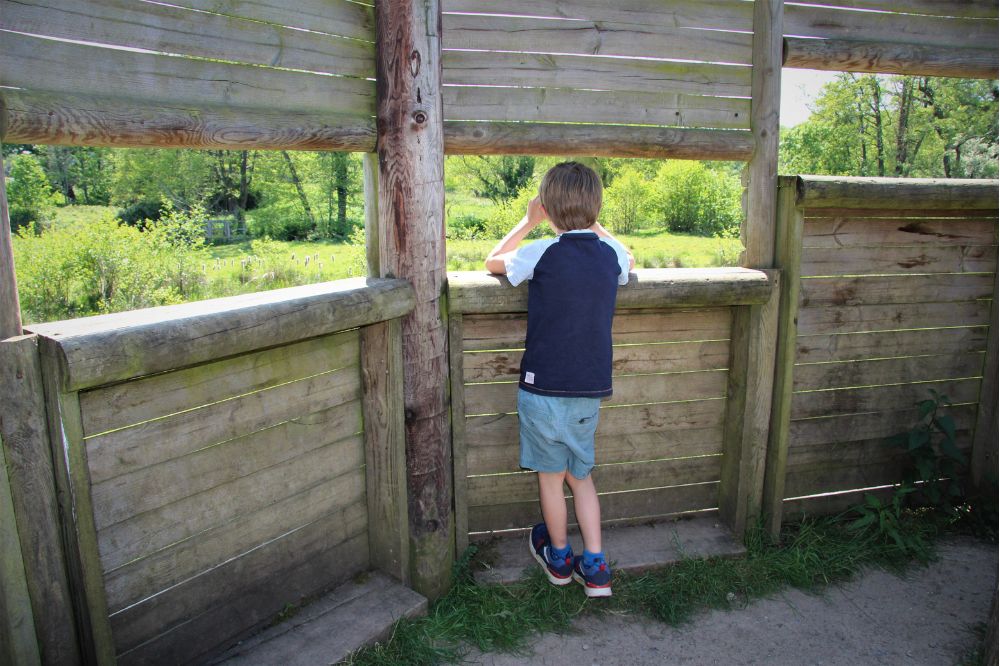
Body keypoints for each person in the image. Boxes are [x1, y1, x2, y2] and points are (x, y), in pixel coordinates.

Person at [484, 161, 634, 598]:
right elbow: (630, 256)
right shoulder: (611, 256)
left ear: (547, 208)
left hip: (541, 387)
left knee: (551, 477)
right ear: (596, 207)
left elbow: (492, 261)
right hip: (588, 390)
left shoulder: (541, 251)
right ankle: (597, 566)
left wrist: (529, 222)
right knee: (580, 475)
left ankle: (560, 559)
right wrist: (595, 223)